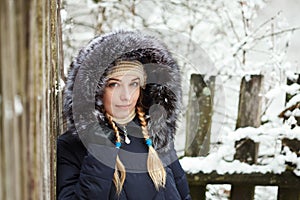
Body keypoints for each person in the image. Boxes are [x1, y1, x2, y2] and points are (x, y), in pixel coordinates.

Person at [57, 30, 191, 200]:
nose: (126, 96)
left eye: (133, 83)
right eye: (114, 84)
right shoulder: (71, 146)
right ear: (94, 90)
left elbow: (183, 195)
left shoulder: (156, 135)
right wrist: (101, 149)